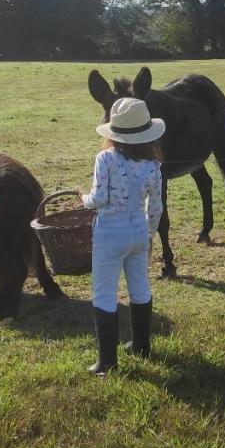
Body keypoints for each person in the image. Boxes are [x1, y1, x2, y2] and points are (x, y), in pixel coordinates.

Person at [78, 97, 165, 375]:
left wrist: (84, 199)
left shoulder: (105, 159)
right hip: (139, 230)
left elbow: (99, 197)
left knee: (104, 293)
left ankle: (107, 362)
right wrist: (150, 234)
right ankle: (141, 345)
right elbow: (156, 206)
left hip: (110, 233)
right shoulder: (154, 165)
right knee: (140, 287)